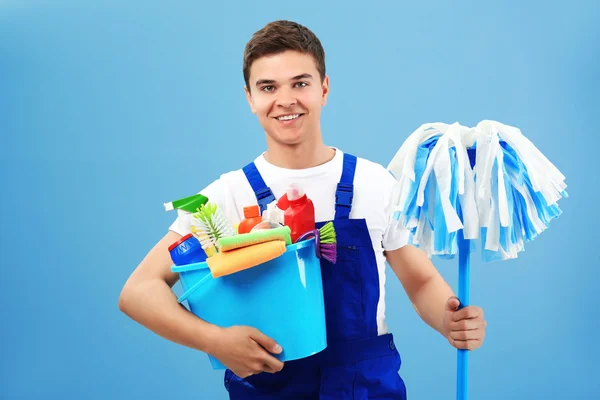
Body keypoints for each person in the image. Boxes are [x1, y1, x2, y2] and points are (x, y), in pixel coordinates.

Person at [118, 20, 487, 399]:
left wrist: (448, 319)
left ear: (324, 88)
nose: (286, 99)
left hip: (366, 387)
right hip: (271, 385)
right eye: (268, 87)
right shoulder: (227, 196)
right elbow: (139, 290)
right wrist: (214, 340)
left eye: (300, 83)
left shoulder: (373, 183)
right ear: (250, 98)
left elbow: (421, 281)